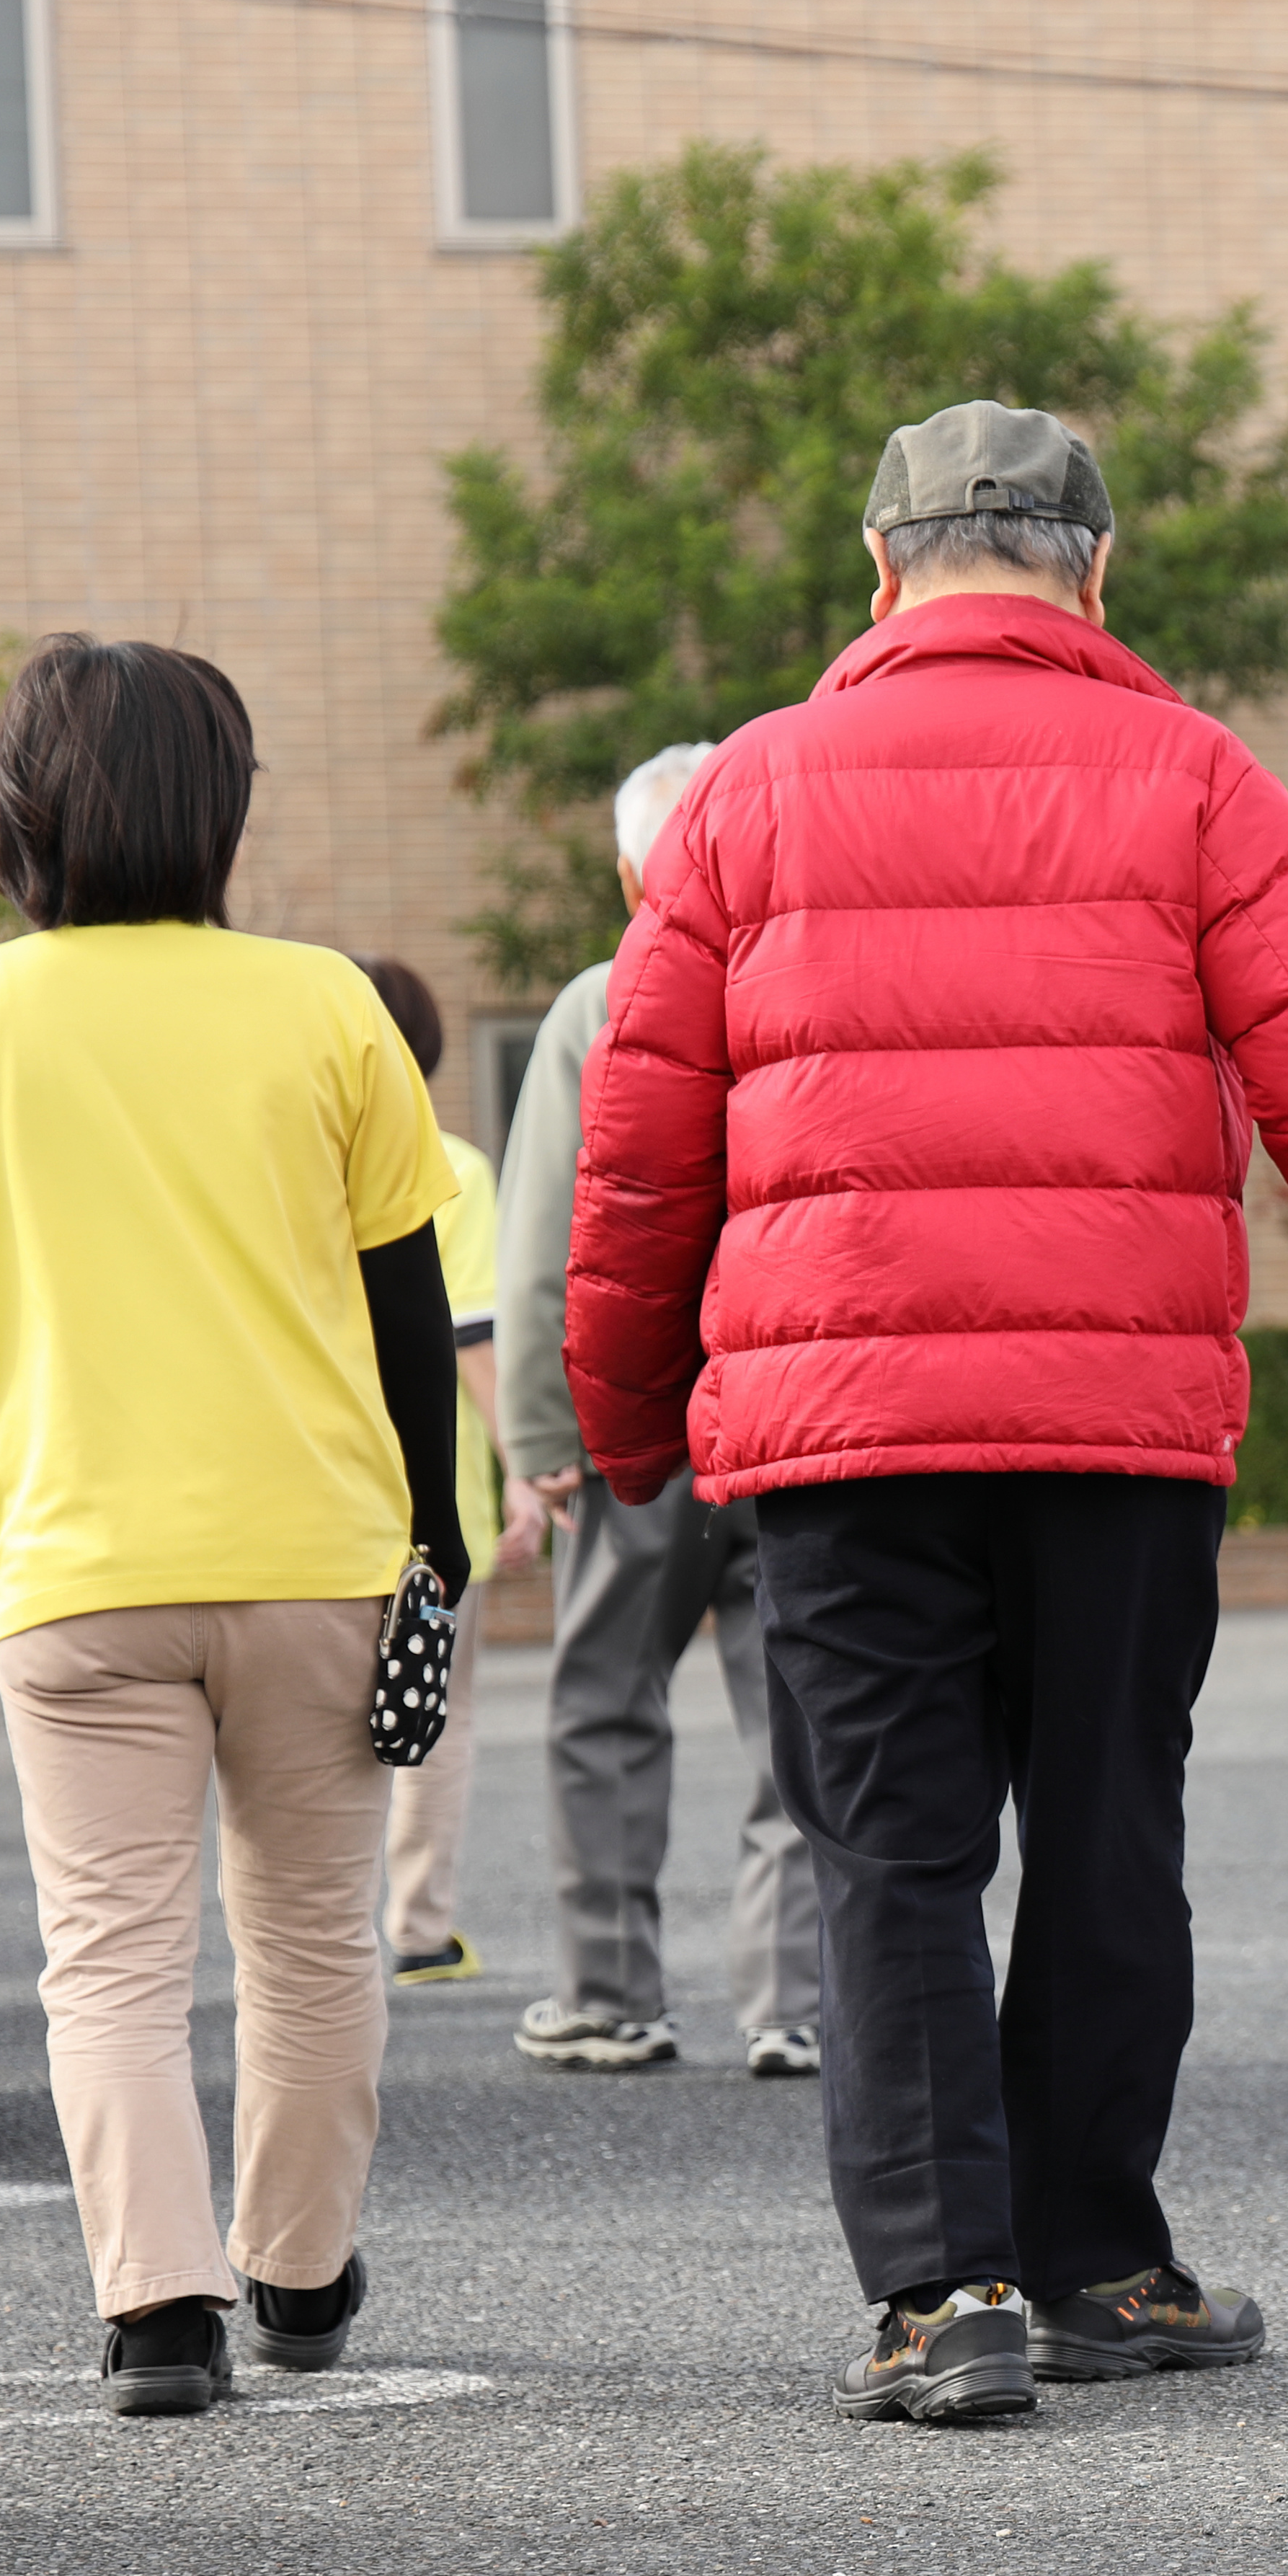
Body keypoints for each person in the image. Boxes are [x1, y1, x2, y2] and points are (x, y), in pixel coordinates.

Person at [563, 401, 1288, 2425]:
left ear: (878, 572)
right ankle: (1094, 2259)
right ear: (1098, 566)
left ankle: (941, 2296)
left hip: (845, 1419)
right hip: (1114, 1416)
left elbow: (639, 1147)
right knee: (1101, 1830)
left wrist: (627, 1414)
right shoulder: (1196, 780)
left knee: (886, 1849)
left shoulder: (744, 798)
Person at [0, 635, 467, 2415]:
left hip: (84, 1575)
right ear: (221, 808)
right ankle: (304, 2272)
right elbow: (409, 1307)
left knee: (111, 1947)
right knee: (316, 1933)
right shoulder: (327, 1003)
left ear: (23, 809)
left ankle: (161, 2311)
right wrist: (439, 1526)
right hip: (318, 1554)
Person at [493, 743, 826, 2082]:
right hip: (790, 1403)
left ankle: (609, 1990)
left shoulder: (597, 1001)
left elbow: (541, 1237)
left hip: (638, 1415)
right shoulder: (803, 976)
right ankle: (797, 1999)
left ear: (631, 869)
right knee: (796, 1698)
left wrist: (533, 1435)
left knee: (604, 1699)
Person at [348, 955, 548, 1991]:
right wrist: (527, 1470)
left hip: (314, 1503)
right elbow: (472, 1342)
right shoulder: (455, 1169)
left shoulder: (290, 1166)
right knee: (434, 1714)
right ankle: (419, 1928)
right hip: (433, 1508)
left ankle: (315, 1934)